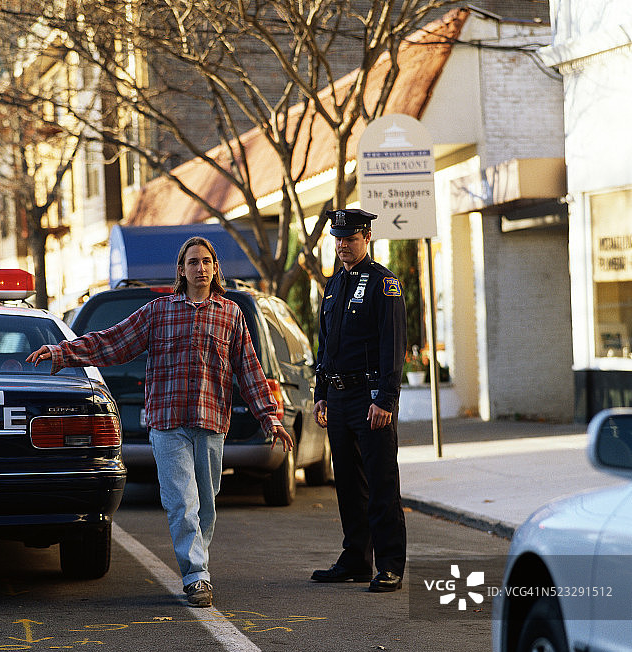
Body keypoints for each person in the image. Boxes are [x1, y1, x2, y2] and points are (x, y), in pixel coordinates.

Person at [26, 236, 293, 608]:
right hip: (168, 422)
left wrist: (269, 416)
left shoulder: (231, 314)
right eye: (192, 262)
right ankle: (196, 574)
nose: (199, 268)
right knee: (181, 501)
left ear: (215, 268)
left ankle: (196, 558)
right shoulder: (158, 311)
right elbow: (113, 341)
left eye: (206, 261)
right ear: (181, 271)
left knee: (206, 501)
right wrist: (63, 352)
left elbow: (248, 368)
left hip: (211, 420)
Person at [310, 209, 407, 592]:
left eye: (349, 238)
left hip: (370, 400)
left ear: (366, 237)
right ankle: (355, 559)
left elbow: (393, 345)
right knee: (348, 484)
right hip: (338, 397)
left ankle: (389, 565)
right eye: (337, 238)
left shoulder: (384, 284)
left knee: (381, 483)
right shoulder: (334, 286)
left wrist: (386, 399)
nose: (342, 245)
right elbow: (326, 344)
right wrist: (320, 394)